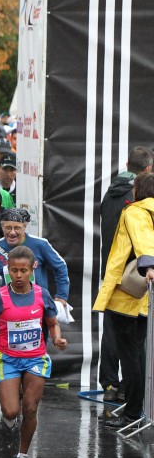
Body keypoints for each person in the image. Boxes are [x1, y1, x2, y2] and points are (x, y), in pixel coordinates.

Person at [0, 246, 67, 458]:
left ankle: (22, 455)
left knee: (29, 408)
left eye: (24, 270)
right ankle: (10, 420)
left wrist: (57, 338)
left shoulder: (42, 294)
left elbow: (52, 323)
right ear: (8, 269)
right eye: (14, 270)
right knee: (10, 411)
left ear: (33, 269)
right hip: (7, 358)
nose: (18, 276)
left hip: (35, 359)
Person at [93, 171, 154, 429]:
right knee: (138, 354)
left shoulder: (136, 211)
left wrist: (149, 265)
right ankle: (137, 408)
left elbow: (143, 241)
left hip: (126, 296)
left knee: (130, 357)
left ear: (136, 191)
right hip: (144, 299)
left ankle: (132, 413)